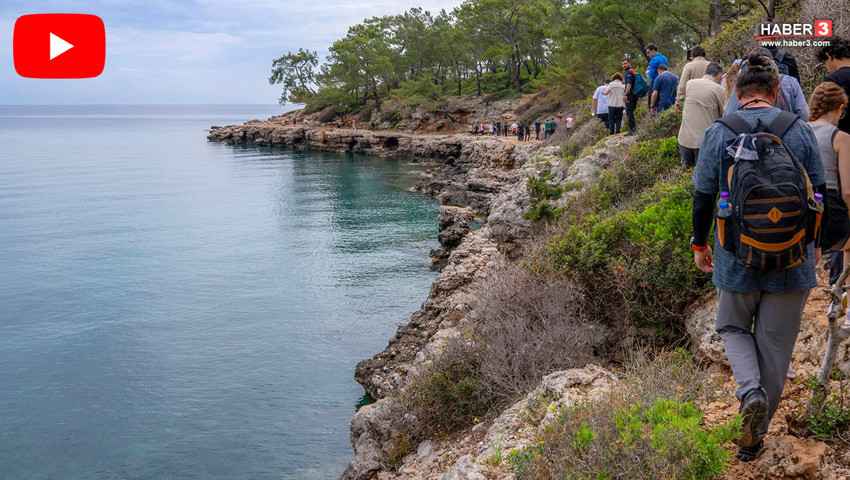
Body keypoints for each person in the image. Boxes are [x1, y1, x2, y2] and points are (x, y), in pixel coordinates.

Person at [691, 51, 827, 463]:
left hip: (736, 256)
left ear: (736, 91)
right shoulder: (798, 130)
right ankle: (754, 439)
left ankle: (749, 390)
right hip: (793, 257)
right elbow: (820, 194)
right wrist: (815, 247)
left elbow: (702, 197)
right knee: (776, 345)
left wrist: (700, 244)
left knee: (732, 328)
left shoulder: (720, 131)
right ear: (775, 91)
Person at [808, 81, 850, 325]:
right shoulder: (840, 137)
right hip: (830, 206)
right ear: (840, 108)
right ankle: (847, 308)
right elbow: (847, 189)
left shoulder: (799, 129)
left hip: (801, 206)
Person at [725, 48, 809, 120]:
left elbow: (728, 114)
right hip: (784, 132)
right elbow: (804, 114)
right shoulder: (790, 82)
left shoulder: (743, 82)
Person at [678, 62, 725, 167]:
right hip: (704, 143)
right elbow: (725, 113)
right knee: (703, 178)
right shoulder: (719, 90)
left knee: (686, 173)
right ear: (720, 77)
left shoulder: (690, 84)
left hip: (684, 139)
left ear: (704, 73)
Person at [819, 37, 850, 135]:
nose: (827, 69)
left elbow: (825, 114)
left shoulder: (833, 80)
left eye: (825, 63)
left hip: (842, 138)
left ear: (829, 56)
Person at [677, 45, 710, 113]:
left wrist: (678, 102)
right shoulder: (711, 65)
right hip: (709, 100)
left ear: (693, 55)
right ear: (704, 54)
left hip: (693, 101)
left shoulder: (688, 66)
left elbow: (682, 86)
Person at [622, 58, 638, 135]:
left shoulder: (629, 72)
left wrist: (625, 94)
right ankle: (633, 129)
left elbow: (629, 84)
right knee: (630, 112)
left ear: (629, 63)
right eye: (623, 64)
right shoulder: (633, 71)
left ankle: (632, 130)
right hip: (634, 95)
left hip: (630, 95)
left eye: (625, 64)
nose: (624, 65)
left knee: (629, 112)